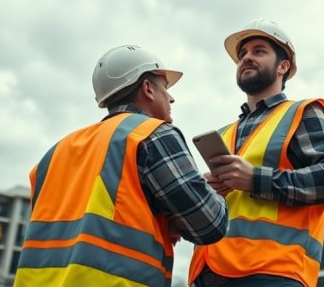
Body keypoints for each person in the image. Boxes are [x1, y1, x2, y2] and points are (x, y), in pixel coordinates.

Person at [14, 45, 228, 287]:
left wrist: (166, 220)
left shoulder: (54, 154)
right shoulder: (150, 133)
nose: (171, 98)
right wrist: (215, 192)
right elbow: (210, 225)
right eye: (165, 88)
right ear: (147, 89)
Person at [188, 19, 324, 287]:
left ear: (283, 66)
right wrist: (207, 191)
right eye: (243, 55)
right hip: (208, 274)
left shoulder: (302, 113)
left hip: (272, 274)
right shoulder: (224, 133)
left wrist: (255, 179)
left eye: (259, 51)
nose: (247, 58)